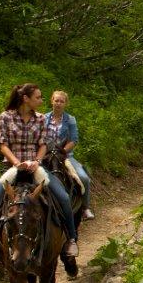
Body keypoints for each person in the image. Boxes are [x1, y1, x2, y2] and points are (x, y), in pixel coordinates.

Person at [0, 84, 79, 269]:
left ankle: (71, 240)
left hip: (36, 168)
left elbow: (43, 144)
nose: (42, 101)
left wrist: (37, 160)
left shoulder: (41, 119)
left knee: (64, 198)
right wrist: (17, 162)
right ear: (26, 99)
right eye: (38, 97)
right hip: (13, 169)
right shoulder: (6, 117)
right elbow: (3, 145)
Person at [44, 90, 93, 220]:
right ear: (52, 101)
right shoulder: (43, 119)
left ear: (66, 103)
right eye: (56, 100)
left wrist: (61, 152)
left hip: (65, 156)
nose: (58, 103)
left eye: (62, 101)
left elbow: (73, 140)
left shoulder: (70, 120)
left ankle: (85, 208)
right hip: (46, 156)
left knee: (84, 178)